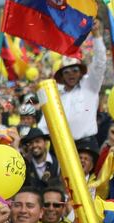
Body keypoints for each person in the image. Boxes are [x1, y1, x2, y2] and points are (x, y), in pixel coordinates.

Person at [37, 22, 106, 152]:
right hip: (62, 148)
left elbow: (100, 63)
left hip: (86, 147)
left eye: (74, 70)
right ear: (61, 76)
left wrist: (97, 36)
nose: (71, 75)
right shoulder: (56, 93)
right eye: (66, 72)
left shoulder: (90, 85)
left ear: (80, 72)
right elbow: (45, 123)